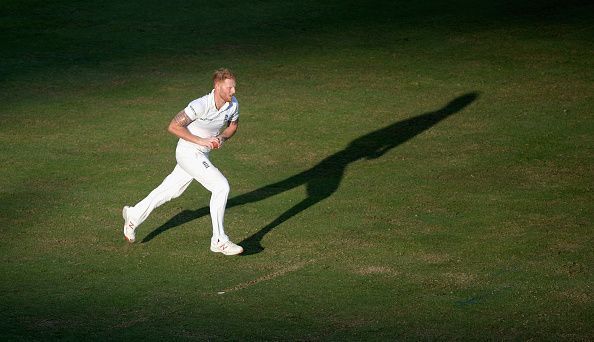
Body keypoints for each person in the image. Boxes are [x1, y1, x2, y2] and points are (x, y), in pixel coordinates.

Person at [122, 68, 243, 255]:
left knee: (170, 190)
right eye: (229, 88)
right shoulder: (200, 105)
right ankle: (218, 240)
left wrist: (222, 138)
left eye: (234, 87)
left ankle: (134, 215)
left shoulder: (233, 104)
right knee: (221, 186)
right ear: (217, 86)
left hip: (202, 154)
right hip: (188, 152)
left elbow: (232, 126)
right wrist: (201, 141)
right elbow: (173, 126)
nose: (233, 91)